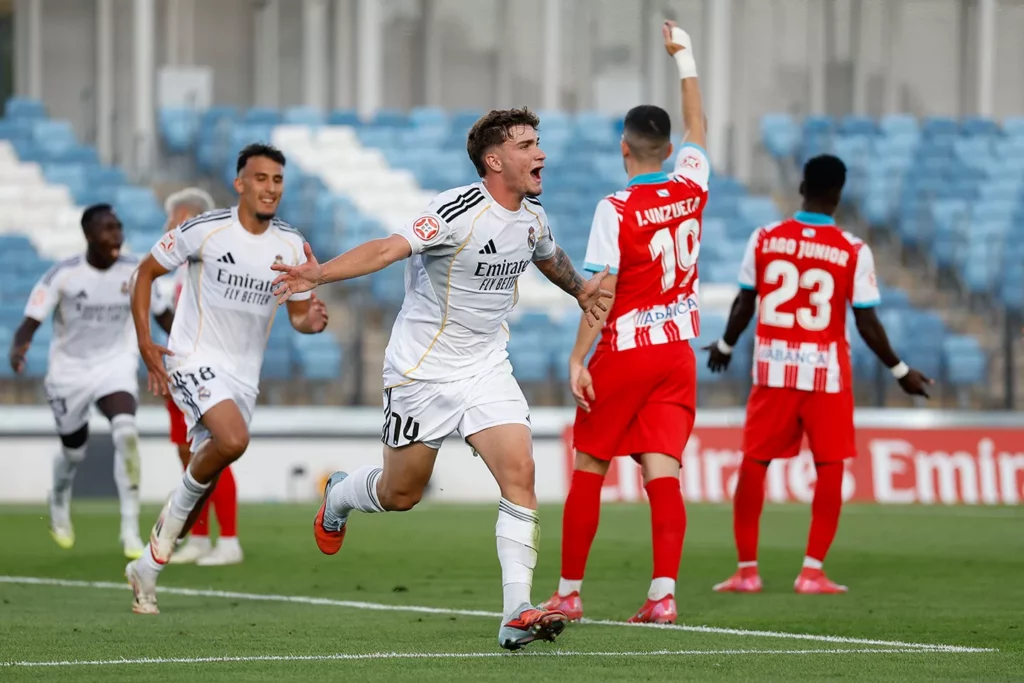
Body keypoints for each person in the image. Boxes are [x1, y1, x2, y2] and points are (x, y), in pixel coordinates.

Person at [270, 108, 612, 651]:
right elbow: (386, 249)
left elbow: (547, 255)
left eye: (538, 142)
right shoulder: (454, 212)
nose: (540, 153)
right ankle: (339, 495)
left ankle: (515, 610)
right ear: (495, 160)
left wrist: (580, 290)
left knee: (520, 470)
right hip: (421, 372)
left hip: (485, 366)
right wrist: (320, 273)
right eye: (527, 145)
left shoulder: (532, 216)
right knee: (400, 493)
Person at [538, 21, 707, 626]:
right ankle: (663, 594)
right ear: (668, 149)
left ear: (624, 148)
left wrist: (578, 358)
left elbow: (600, 292)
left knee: (590, 464)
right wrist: (684, 57)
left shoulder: (616, 207)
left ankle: (568, 592)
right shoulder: (692, 184)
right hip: (678, 351)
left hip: (630, 349)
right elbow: (700, 128)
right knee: (663, 471)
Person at [706, 154, 932, 594]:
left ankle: (747, 572)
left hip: (773, 369)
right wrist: (901, 370)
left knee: (754, 463)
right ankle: (811, 572)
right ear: (838, 194)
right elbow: (866, 323)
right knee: (830, 467)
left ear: (802, 187)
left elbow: (744, 301)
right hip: (825, 374)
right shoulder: (852, 250)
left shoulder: (766, 238)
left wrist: (726, 345)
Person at [125, 143, 330, 615]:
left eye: (277, 180)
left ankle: (149, 563)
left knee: (206, 471)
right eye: (260, 179)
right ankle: (163, 548)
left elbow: (299, 315)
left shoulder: (292, 244)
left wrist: (312, 321)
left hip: (242, 376)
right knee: (234, 440)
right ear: (240, 183)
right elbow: (144, 273)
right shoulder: (206, 230)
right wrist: (144, 343)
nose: (270, 188)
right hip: (193, 357)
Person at [7, 204, 171, 559]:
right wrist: (20, 345)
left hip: (115, 364)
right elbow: (31, 319)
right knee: (73, 449)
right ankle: (59, 497)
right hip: (70, 372)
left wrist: (186, 346)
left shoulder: (137, 271)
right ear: (88, 235)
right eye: (107, 228)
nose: (116, 235)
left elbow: (164, 315)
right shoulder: (63, 275)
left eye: (119, 227)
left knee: (126, 432)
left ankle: (129, 528)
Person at [152, 188, 243, 567]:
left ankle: (231, 540)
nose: (168, 226)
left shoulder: (217, 259)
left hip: (206, 372)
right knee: (189, 455)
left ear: (189, 216)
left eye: (173, 219)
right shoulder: (178, 266)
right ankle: (202, 536)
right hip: (180, 374)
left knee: (214, 452)